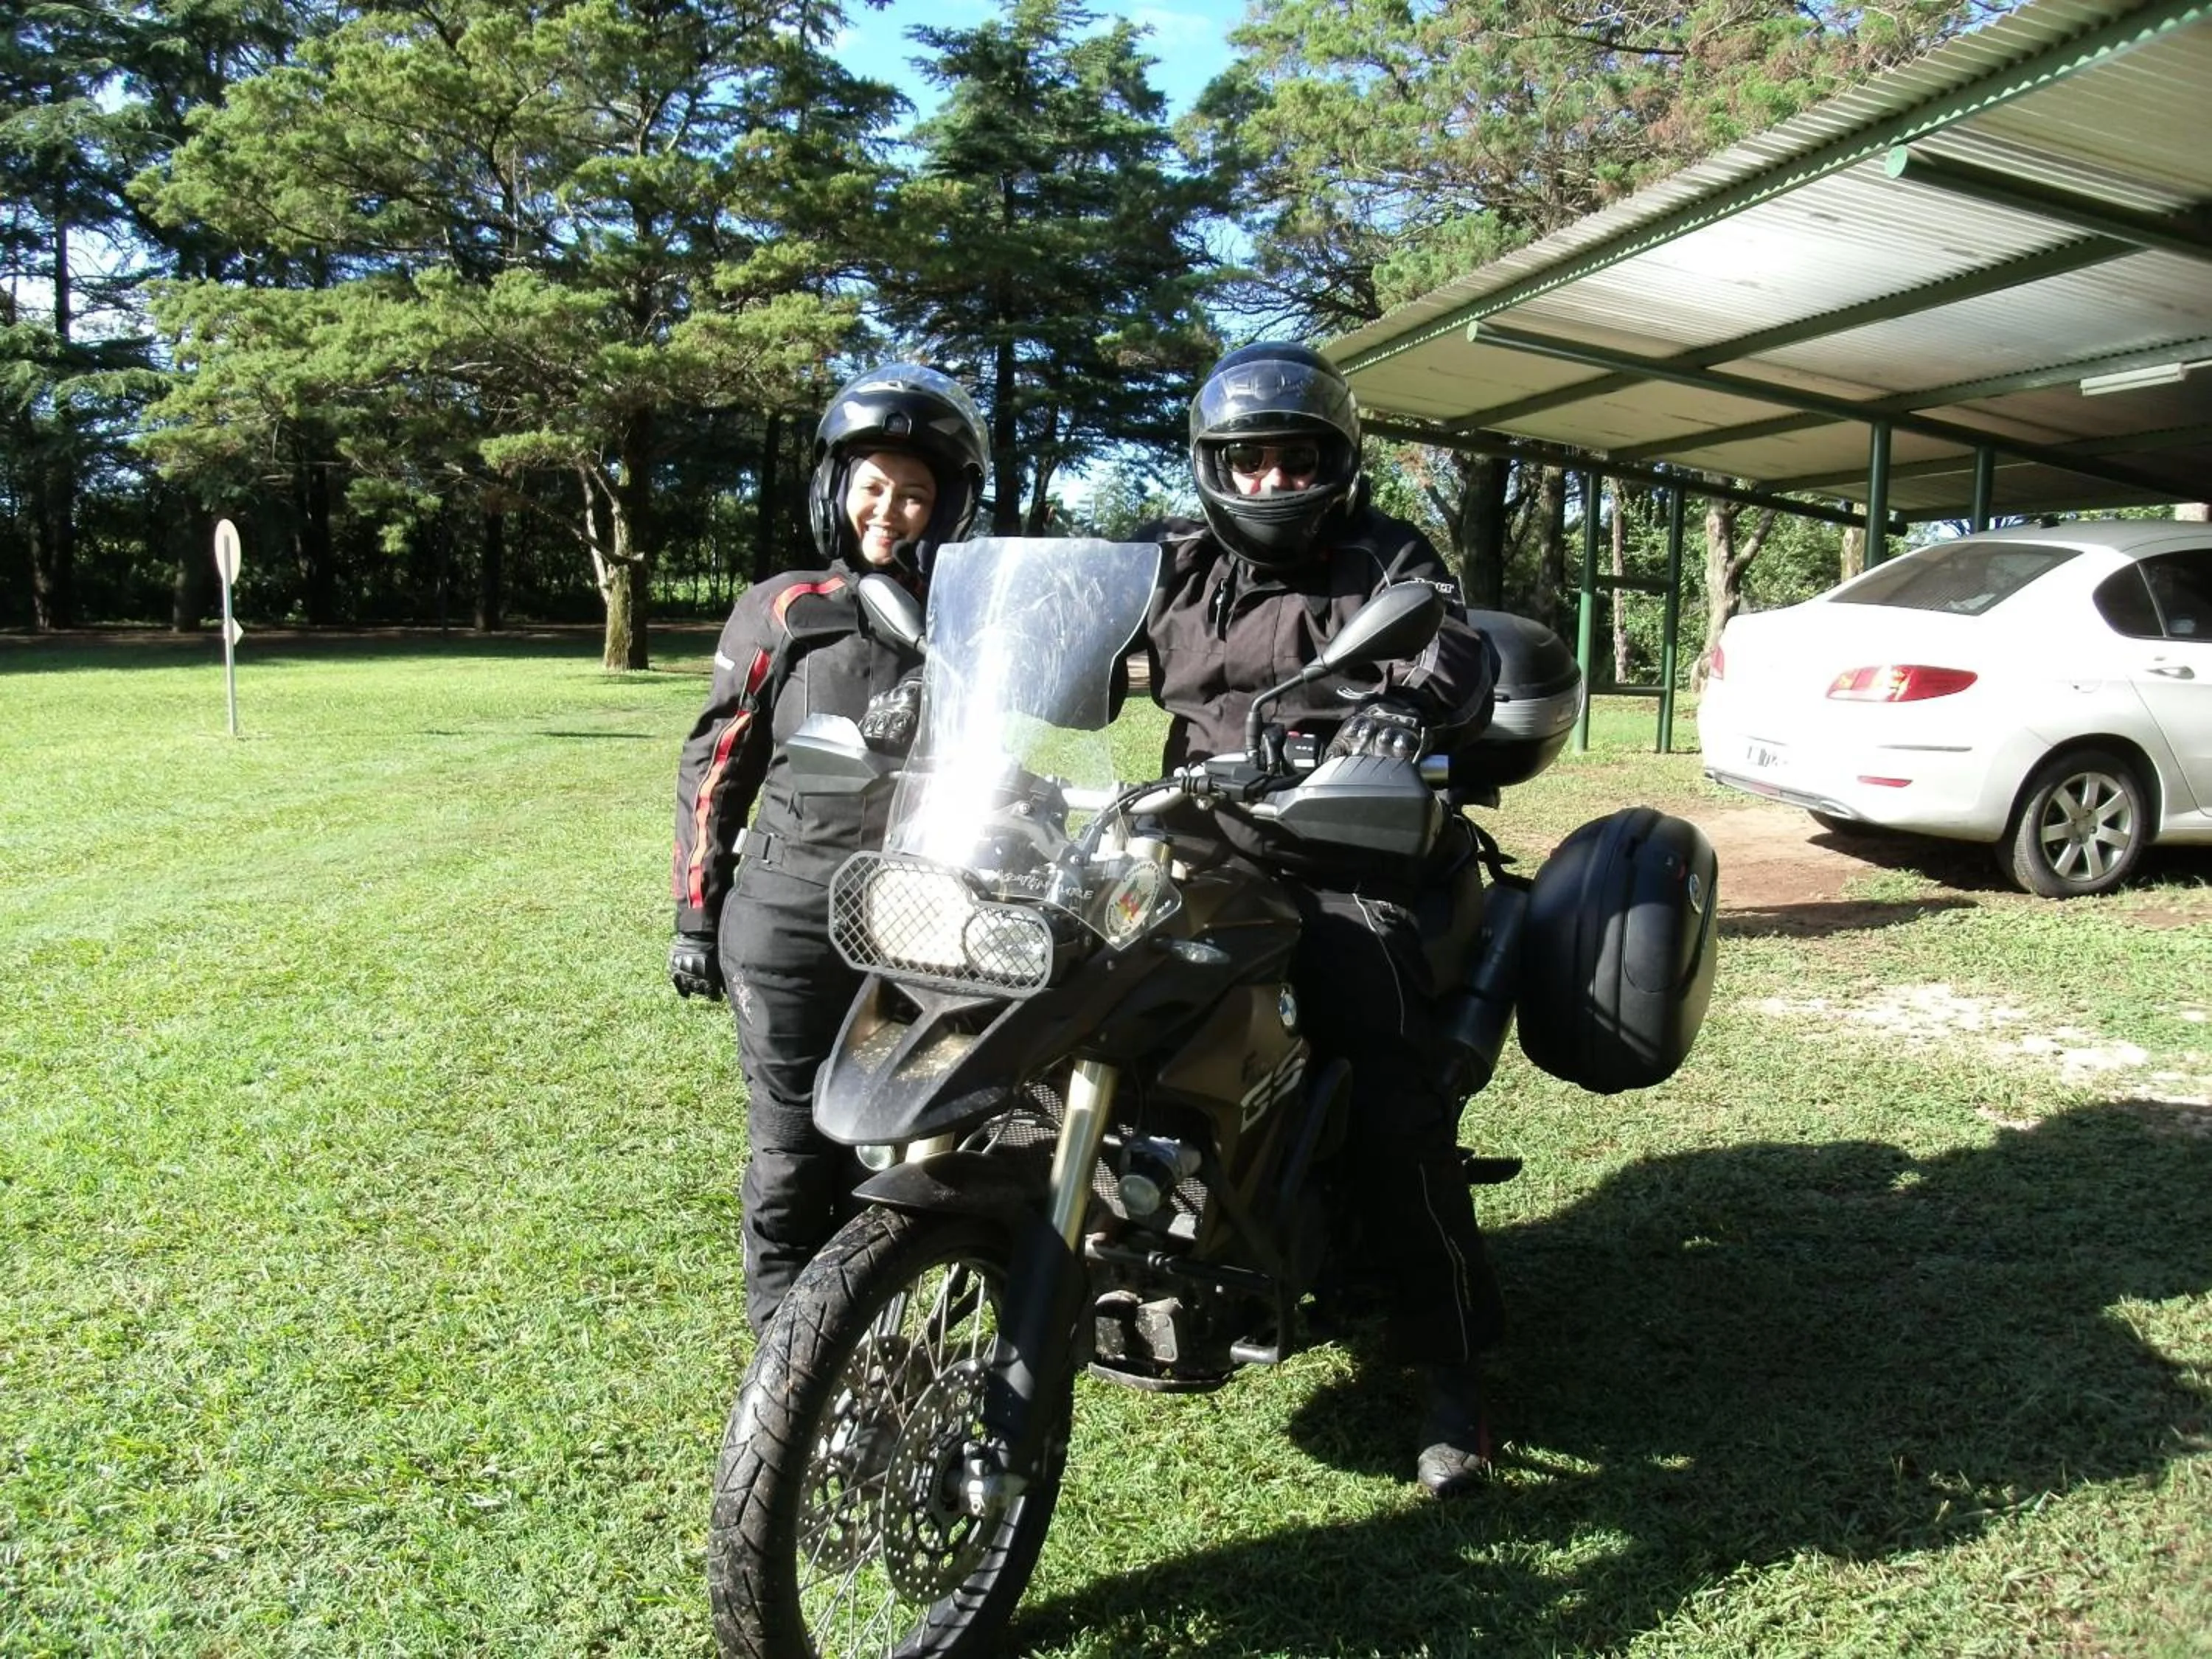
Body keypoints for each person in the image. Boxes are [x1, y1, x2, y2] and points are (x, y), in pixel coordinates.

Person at [1135, 341, 1506, 1498]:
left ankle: (1451, 1367)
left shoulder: (1384, 556)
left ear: (1335, 465)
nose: (1269, 482)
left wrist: (1397, 710)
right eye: (1247, 463)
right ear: (1214, 469)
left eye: (1294, 459)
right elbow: (1075, 627)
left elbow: (1453, 647)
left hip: (1347, 850)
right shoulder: (1178, 563)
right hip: (1195, 841)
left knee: (1386, 1082)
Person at [669, 363, 989, 1335]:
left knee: (896, 1133)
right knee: (795, 1144)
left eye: (917, 492)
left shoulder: (963, 624)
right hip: (791, 911)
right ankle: (783, 1341)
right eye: (874, 485)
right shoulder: (785, 606)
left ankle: (862, 1321)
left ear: (947, 509)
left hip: (919, 913)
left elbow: (996, 754)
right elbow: (716, 758)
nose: (891, 508)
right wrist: (696, 907)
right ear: (837, 489)